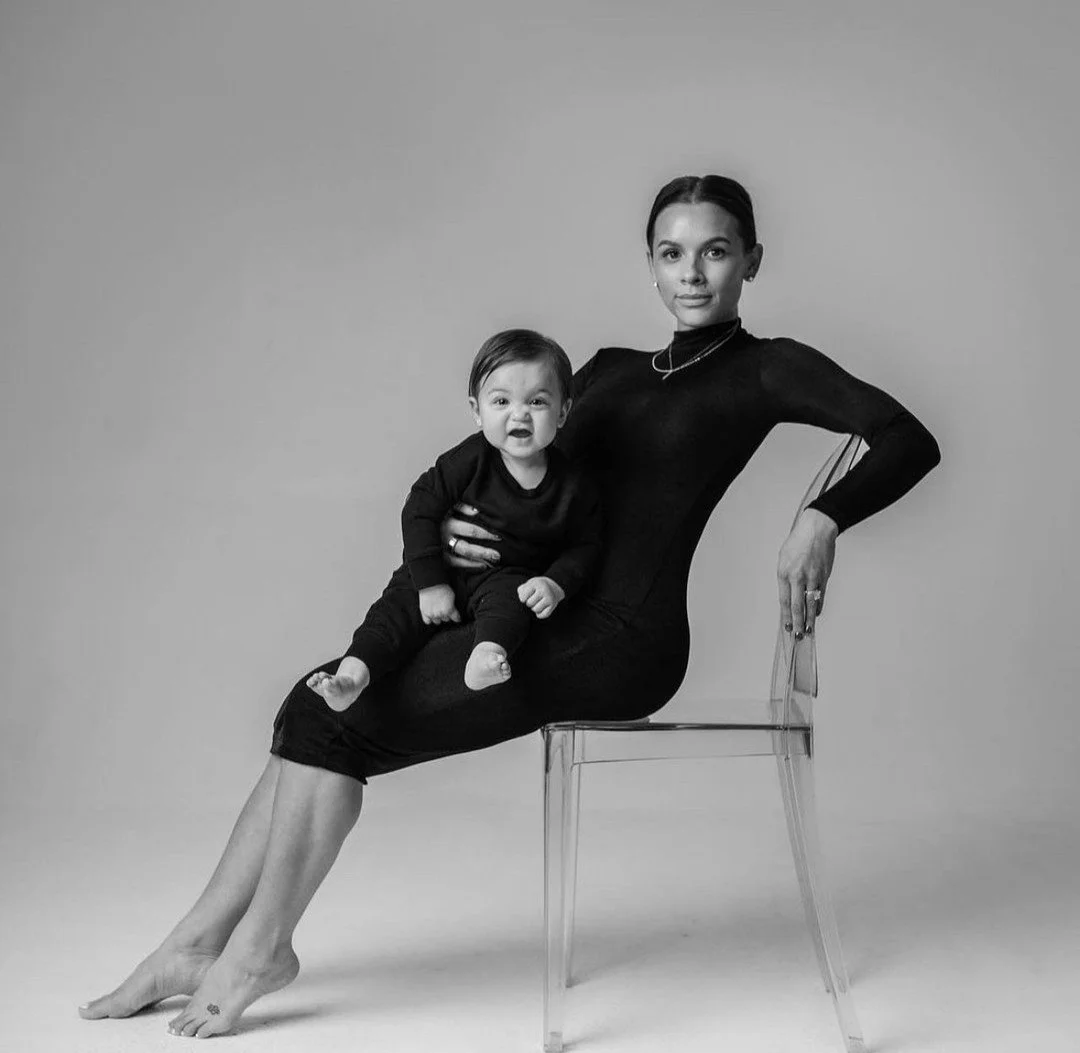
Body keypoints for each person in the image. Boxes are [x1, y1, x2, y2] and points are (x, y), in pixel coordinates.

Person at [79, 174, 941, 1039]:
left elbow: (909, 437)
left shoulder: (765, 368)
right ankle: (198, 943)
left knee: (335, 721)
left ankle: (257, 949)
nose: (692, 273)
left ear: (751, 260)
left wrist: (822, 518)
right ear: (650, 263)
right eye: (672, 253)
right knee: (313, 701)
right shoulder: (601, 369)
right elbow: (522, 472)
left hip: (620, 640)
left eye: (715, 251)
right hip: (528, 609)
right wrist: (468, 528)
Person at [307, 327, 601, 703]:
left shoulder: (573, 484)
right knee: (392, 616)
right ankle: (350, 678)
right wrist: (430, 583)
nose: (519, 415)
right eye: (501, 402)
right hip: (441, 570)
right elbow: (419, 507)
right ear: (476, 411)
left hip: (502, 578)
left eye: (537, 402)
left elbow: (585, 546)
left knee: (512, 604)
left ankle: (485, 658)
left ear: (563, 412)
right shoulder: (472, 458)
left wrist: (554, 584)